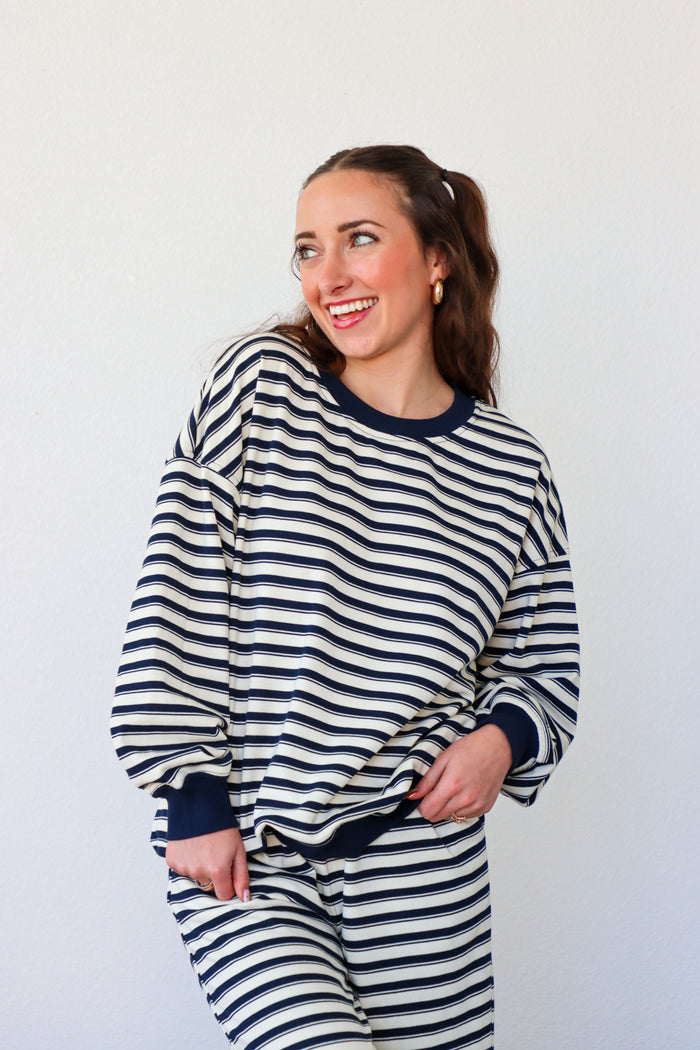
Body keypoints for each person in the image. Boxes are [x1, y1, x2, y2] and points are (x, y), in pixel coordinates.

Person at [111, 145, 579, 1049]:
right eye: (308, 249)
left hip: (422, 867)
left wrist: (500, 740)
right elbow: (180, 587)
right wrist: (191, 792)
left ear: (437, 257)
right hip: (251, 852)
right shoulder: (261, 388)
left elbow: (541, 663)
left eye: (358, 240)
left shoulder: (511, 467)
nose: (329, 276)